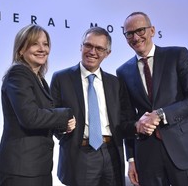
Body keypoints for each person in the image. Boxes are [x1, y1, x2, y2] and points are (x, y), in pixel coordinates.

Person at [116, 11, 188, 186]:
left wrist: (160, 114)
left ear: (152, 30)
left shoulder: (177, 55)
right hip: (147, 157)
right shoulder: (123, 72)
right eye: (129, 33)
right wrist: (131, 159)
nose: (135, 37)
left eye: (140, 30)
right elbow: (127, 119)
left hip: (185, 151)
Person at [0, 24, 76, 186]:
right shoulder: (18, 74)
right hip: (21, 169)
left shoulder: (40, 79)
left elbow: (43, 118)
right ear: (20, 50)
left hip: (38, 167)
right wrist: (65, 114)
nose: (42, 49)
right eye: (35, 43)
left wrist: (62, 127)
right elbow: (30, 117)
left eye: (45, 44)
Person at [50, 27, 130, 186]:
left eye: (99, 48)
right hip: (80, 153)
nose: (92, 51)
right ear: (81, 47)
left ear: (107, 53)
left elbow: (126, 117)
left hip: (112, 152)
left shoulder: (116, 83)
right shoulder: (61, 78)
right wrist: (65, 132)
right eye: (88, 45)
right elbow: (52, 115)